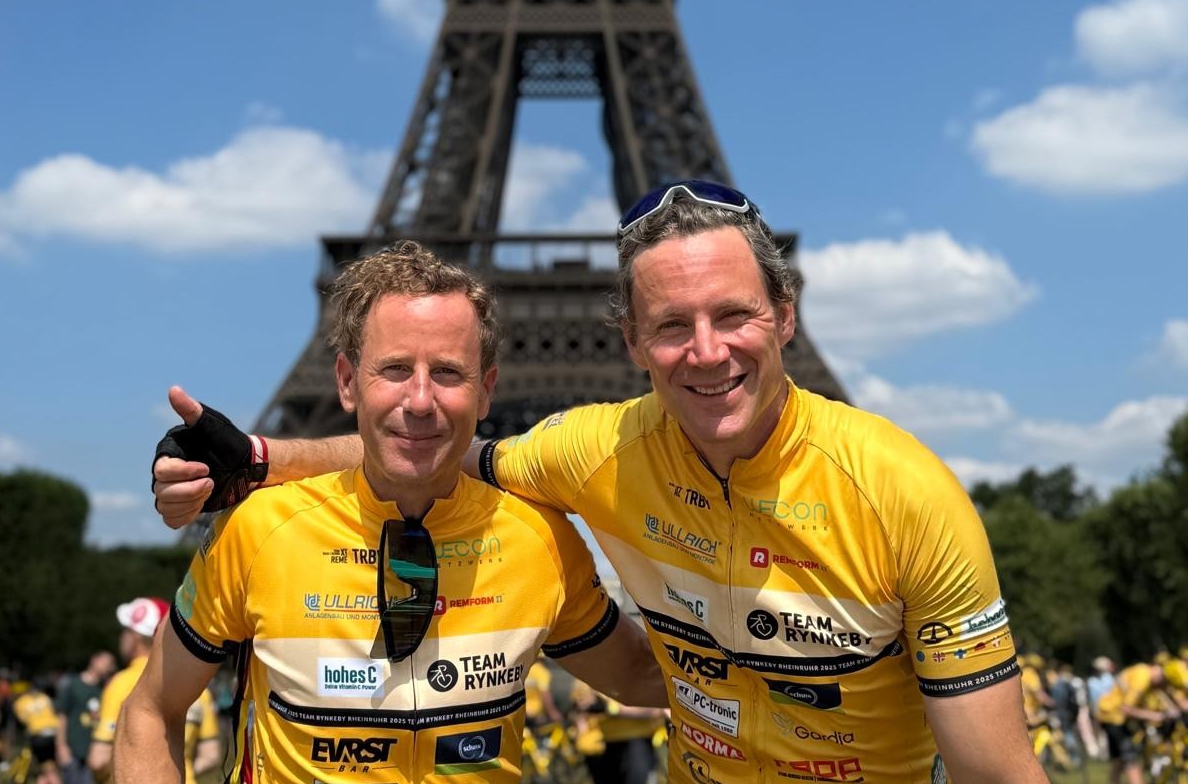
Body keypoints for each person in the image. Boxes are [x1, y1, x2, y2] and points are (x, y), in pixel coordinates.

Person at [151, 180, 1045, 782]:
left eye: (733, 315)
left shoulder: (905, 495)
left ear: (784, 316)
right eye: (672, 325)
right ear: (631, 342)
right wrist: (261, 462)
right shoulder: (593, 449)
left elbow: (997, 771)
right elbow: (429, 447)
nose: (706, 351)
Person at [120, 243, 664, 783]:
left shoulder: (540, 540)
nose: (420, 399)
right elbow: (149, 711)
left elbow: (643, 676)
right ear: (347, 382)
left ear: (486, 391)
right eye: (396, 369)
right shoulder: (258, 530)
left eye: (448, 372)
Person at [88, 598, 221, 784]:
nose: (122, 637)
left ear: (135, 636)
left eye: (125, 630)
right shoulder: (198, 688)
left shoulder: (120, 684)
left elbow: (98, 760)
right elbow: (211, 754)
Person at [1094, 661, 1176, 784]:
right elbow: (1127, 709)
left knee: (1119, 760)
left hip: (1107, 715)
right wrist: (1156, 716)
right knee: (1130, 759)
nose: (1161, 687)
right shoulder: (1142, 679)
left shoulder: (1142, 671)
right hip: (1115, 718)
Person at [54, 650, 115, 784]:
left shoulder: (106, 689)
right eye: (106, 662)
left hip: (93, 752)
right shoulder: (73, 684)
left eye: (111, 664)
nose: (108, 667)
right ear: (94, 660)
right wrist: (61, 746)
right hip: (72, 751)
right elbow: (62, 716)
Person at [11, 679, 62, 784]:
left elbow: (23, 721)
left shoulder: (20, 702)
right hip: (54, 733)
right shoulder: (45, 697)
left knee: (48, 769)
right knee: (47, 769)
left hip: (38, 736)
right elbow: (55, 712)